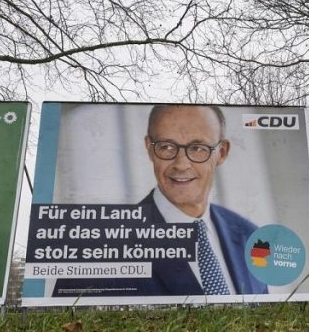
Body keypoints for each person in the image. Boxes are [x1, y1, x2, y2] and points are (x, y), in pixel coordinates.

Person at [54, 105, 268, 297]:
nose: (181, 164)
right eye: (166, 147)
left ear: (222, 152)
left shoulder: (251, 238)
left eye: (197, 148)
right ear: (149, 148)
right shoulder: (100, 249)